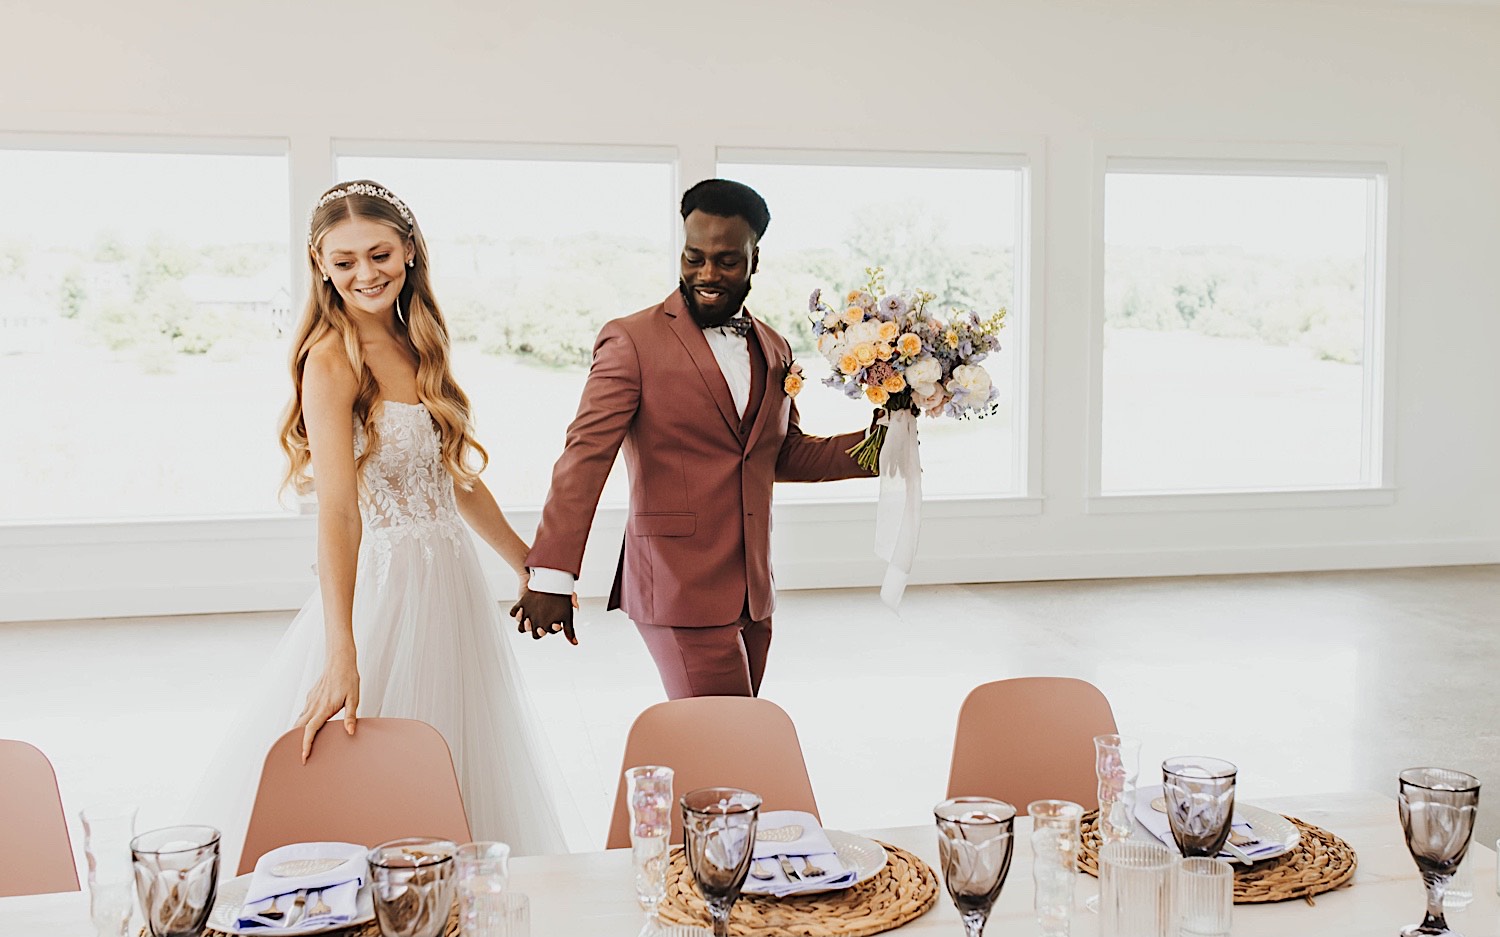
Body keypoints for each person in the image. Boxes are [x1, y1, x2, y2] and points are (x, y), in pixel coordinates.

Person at [190, 181, 569, 868]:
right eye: (344, 261)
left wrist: (530, 563)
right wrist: (343, 649)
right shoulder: (331, 360)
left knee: (455, 753)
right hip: (385, 590)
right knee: (374, 764)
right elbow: (337, 511)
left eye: (380, 253)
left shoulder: (419, 341)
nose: (365, 273)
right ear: (320, 264)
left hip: (450, 584)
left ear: (410, 251)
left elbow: (455, 476)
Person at [512, 178, 876, 699]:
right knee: (725, 737)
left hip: (753, 592)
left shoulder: (774, 346)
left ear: (755, 260)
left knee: (732, 736)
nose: (707, 274)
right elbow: (585, 458)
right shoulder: (631, 340)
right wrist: (550, 575)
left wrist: (884, 444)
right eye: (693, 257)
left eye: (727, 261)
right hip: (676, 583)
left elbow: (783, 453)